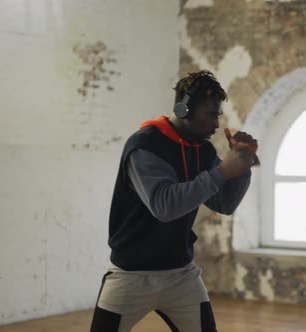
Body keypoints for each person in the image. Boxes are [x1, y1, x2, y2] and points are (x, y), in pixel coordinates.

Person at [90, 70, 258, 332]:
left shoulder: (202, 149)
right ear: (183, 109)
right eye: (210, 115)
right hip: (132, 275)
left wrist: (242, 168)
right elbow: (164, 206)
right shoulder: (144, 145)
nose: (216, 125)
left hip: (181, 274)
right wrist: (224, 171)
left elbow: (225, 203)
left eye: (218, 115)